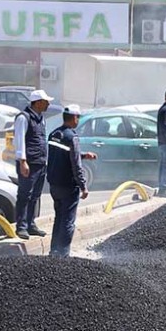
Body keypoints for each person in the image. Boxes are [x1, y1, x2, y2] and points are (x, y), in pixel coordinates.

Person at [46, 105, 97, 257]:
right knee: (68, 221)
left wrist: (83, 154)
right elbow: (75, 164)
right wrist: (83, 186)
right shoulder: (72, 137)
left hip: (54, 184)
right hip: (68, 186)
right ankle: (63, 254)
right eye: (78, 117)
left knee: (59, 218)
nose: (78, 120)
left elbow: (63, 155)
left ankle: (54, 251)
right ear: (74, 118)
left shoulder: (54, 134)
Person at [13, 89, 54, 240]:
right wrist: (23, 161)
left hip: (40, 163)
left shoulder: (41, 118)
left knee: (35, 195)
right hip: (29, 164)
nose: (48, 104)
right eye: (46, 102)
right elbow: (19, 141)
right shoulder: (24, 118)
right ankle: (21, 226)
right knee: (25, 195)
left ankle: (31, 224)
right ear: (37, 102)